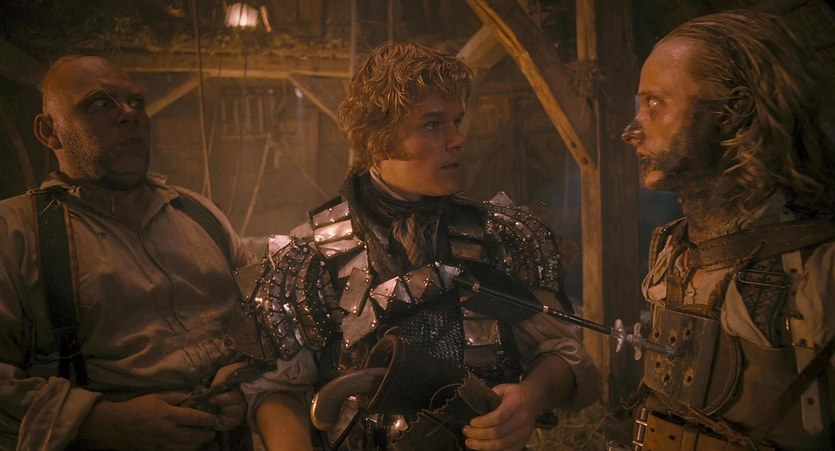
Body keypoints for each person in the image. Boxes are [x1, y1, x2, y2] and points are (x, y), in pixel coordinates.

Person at [233, 41, 600, 450]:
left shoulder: (503, 238)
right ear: (378, 141)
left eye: (456, 122)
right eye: (433, 125)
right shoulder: (308, 258)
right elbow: (274, 389)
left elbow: (564, 353)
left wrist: (530, 399)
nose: (458, 139)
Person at [0, 55, 257, 450]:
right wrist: (99, 421)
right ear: (50, 131)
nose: (129, 115)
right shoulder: (16, 232)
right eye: (100, 103)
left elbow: (262, 319)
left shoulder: (199, 214)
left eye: (136, 102)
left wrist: (242, 376)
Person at [621, 10, 835, 450]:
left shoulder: (819, 269)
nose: (631, 131)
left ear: (733, 111)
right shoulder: (672, 252)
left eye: (655, 104)